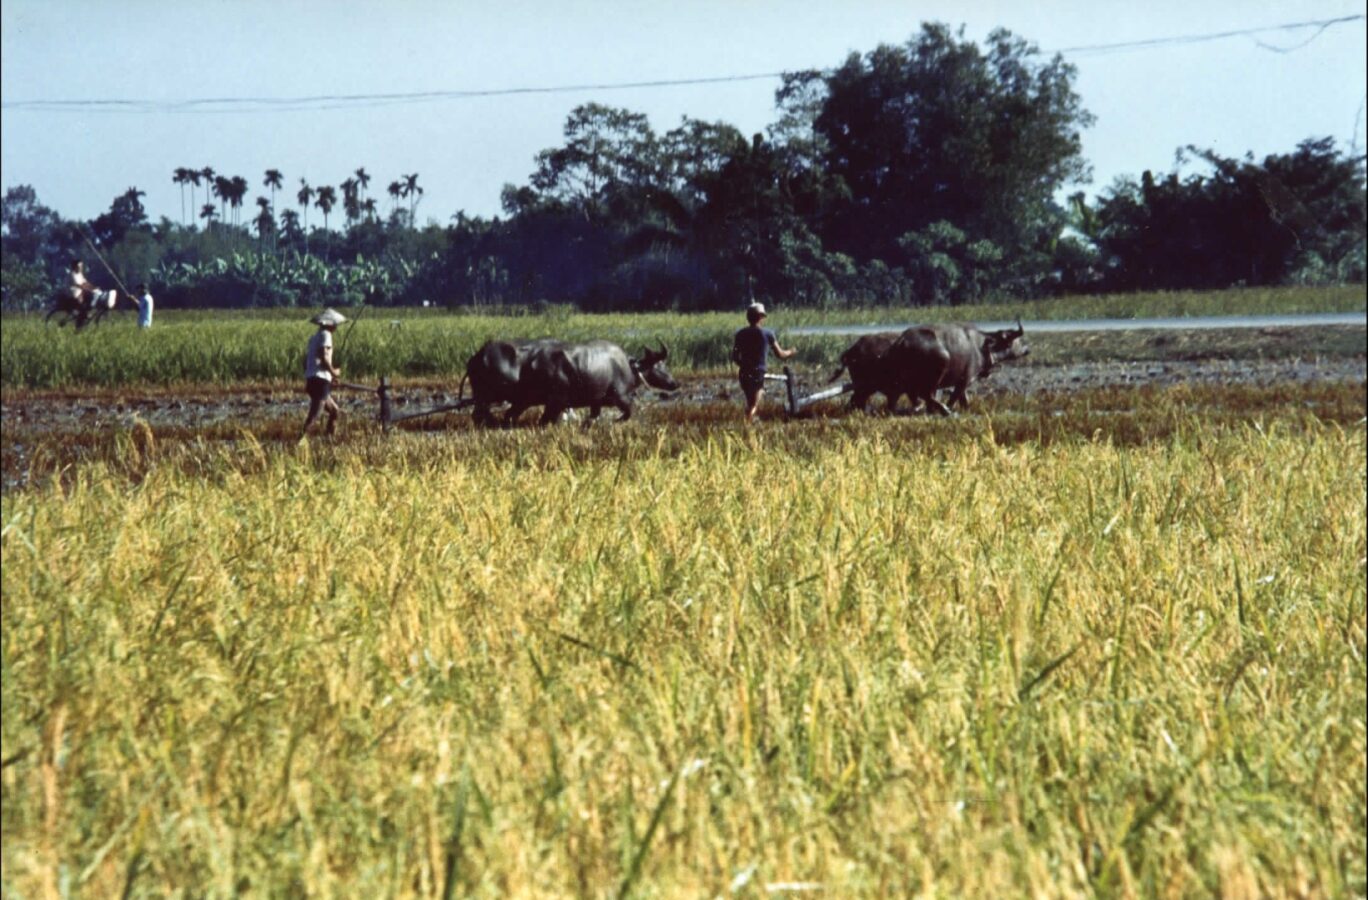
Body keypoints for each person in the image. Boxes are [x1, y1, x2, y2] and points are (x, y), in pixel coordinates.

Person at [731, 301, 796, 424]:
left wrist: (745, 365)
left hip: (744, 373)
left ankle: (749, 421)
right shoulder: (767, 334)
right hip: (757, 372)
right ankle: (746, 424)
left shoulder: (740, 334)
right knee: (754, 404)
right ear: (760, 317)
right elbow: (780, 354)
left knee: (750, 402)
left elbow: (735, 356)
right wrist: (791, 352)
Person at [301, 308, 345, 439]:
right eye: (335, 324)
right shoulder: (326, 335)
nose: (336, 327)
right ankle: (299, 443)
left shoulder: (314, 337)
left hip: (314, 379)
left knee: (335, 411)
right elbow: (324, 357)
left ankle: (329, 440)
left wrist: (330, 377)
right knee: (314, 417)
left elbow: (311, 361)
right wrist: (334, 372)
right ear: (329, 324)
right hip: (320, 382)